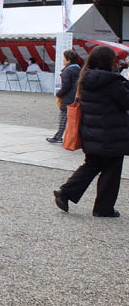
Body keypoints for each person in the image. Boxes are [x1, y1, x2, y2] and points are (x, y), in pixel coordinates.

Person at [54, 45, 129, 218]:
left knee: (91, 165)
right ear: (108, 61)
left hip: (91, 132)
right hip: (112, 133)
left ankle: (66, 192)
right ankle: (103, 208)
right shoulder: (112, 82)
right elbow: (126, 102)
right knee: (111, 171)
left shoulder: (85, 78)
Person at [48, 50, 81, 144]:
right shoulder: (79, 69)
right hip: (77, 98)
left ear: (68, 60)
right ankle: (72, 138)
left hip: (67, 98)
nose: (63, 60)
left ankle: (57, 137)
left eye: (64, 58)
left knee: (63, 119)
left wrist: (59, 94)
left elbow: (65, 86)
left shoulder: (67, 71)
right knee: (75, 120)